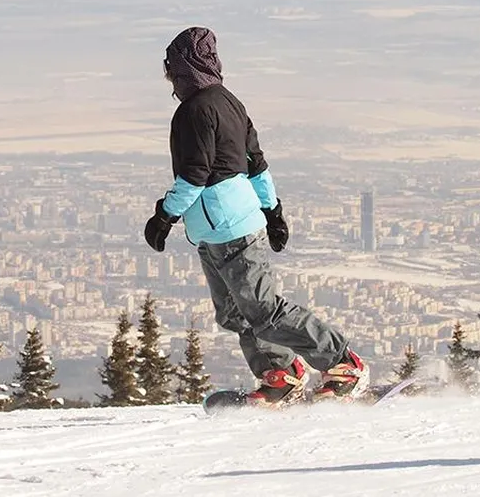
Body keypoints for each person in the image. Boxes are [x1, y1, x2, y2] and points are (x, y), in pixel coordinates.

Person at [143, 25, 369, 406]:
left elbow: (195, 174)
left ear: (183, 69)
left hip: (231, 228)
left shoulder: (193, 112)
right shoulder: (231, 102)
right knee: (236, 313)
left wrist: (164, 215)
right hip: (216, 231)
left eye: (171, 71)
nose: (169, 79)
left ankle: (343, 363)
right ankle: (279, 375)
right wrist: (273, 209)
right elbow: (256, 164)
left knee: (264, 310)